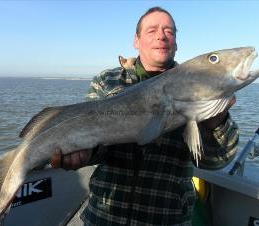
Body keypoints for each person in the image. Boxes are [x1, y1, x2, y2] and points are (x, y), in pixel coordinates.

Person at [50, 7, 238, 225]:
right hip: (105, 216)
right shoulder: (108, 81)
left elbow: (215, 162)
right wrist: (84, 154)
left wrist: (215, 120)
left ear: (176, 43)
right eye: (152, 30)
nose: (161, 36)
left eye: (169, 31)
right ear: (136, 41)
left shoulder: (198, 86)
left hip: (167, 219)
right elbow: (95, 145)